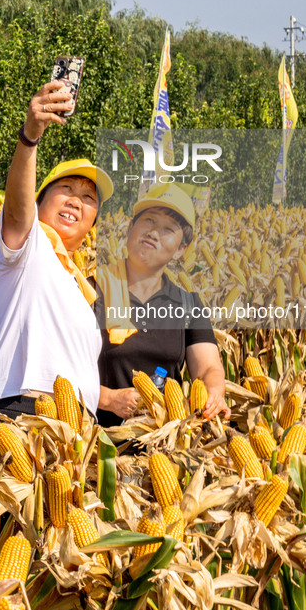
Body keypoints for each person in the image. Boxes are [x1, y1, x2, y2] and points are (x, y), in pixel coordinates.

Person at [0, 77, 113, 433]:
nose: (76, 200)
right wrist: (30, 137)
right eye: (66, 189)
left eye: (88, 198)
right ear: (40, 200)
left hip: (76, 429)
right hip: (16, 412)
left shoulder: (81, 286)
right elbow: (17, 210)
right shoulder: (27, 246)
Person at [95, 183, 230, 427]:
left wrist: (213, 393)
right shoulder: (93, 291)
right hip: (99, 446)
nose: (154, 233)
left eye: (168, 229)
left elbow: (208, 367)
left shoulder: (188, 305)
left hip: (166, 444)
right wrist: (108, 399)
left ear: (180, 250)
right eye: (148, 221)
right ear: (130, 229)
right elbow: (59, 371)